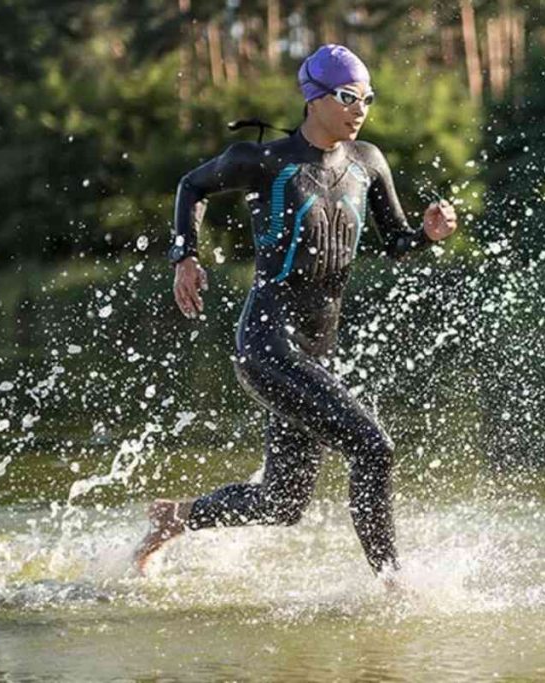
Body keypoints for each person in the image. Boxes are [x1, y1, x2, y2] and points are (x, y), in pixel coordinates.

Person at [136, 44, 457, 585]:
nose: (362, 109)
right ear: (315, 98)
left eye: (368, 98)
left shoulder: (368, 163)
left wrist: (426, 235)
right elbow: (192, 185)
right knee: (374, 447)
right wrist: (184, 256)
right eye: (349, 96)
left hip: (315, 350)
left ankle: (176, 517)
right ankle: (395, 584)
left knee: (282, 503)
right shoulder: (266, 161)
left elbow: (396, 242)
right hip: (266, 345)